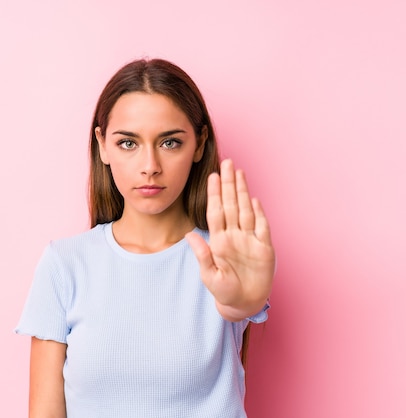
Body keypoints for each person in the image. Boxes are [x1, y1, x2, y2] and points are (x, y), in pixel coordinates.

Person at [15, 58, 275, 418]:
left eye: (169, 142)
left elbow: (236, 304)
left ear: (199, 145)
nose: (150, 165)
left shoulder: (226, 258)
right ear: (103, 145)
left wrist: (244, 303)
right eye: (128, 143)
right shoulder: (64, 264)